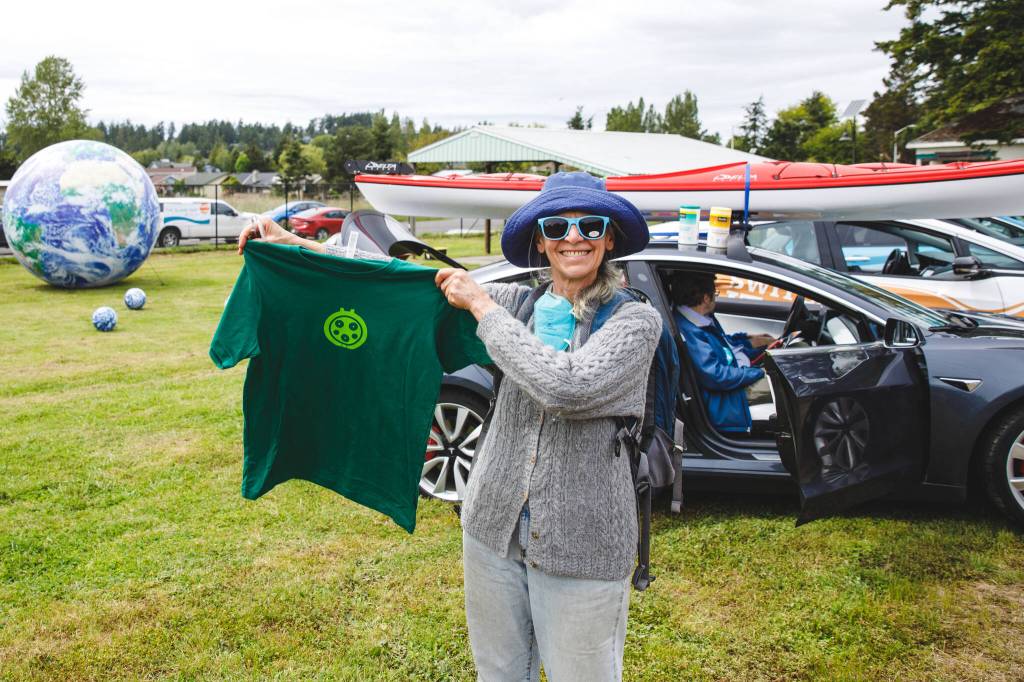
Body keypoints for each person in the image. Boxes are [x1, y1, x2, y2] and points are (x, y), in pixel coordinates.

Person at [239, 172, 660, 681]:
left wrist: (481, 306)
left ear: (609, 239)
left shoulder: (634, 323)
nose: (574, 237)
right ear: (540, 241)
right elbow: (400, 279)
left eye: (591, 226)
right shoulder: (521, 305)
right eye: (557, 227)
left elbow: (566, 387)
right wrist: (293, 244)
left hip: (583, 543)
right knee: (499, 673)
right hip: (491, 529)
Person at [669, 271, 773, 434]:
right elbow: (716, 375)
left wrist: (750, 342)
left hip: (737, 377)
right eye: (715, 293)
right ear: (706, 298)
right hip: (728, 396)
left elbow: (723, 345)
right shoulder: (690, 331)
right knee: (782, 387)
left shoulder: (701, 319)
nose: (715, 298)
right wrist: (758, 372)